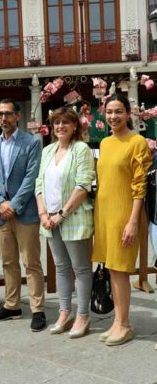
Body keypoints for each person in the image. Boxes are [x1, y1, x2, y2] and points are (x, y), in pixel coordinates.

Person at [92, 94, 152, 346]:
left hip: (124, 213)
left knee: (120, 269)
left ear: (128, 114)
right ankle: (117, 320)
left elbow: (140, 185)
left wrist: (132, 221)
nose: (113, 117)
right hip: (104, 213)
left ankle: (125, 324)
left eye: (118, 111)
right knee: (112, 269)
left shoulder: (137, 142)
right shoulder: (105, 142)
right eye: (109, 112)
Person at [0, 98, 46, 332]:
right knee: (8, 262)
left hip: (25, 212)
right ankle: (12, 305)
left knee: (31, 262)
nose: (3, 118)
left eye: (8, 114)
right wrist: (0, 204)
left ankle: (37, 308)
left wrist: (14, 204)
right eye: (0, 114)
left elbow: (32, 178)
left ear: (18, 116)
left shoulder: (31, 143)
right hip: (1, 214)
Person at [35, 107, 95, 338]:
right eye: (56, 122)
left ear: (75, 126)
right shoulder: (48, 150)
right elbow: (39, 183)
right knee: (60, 267)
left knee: (80, 269)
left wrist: (62, 214)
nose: (60, 126)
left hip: (73, 217)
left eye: (65, 123)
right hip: (49, 219)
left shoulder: (81, 149)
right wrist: (43, 214)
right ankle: (64, 312)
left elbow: (83, 185)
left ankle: (82, 315)